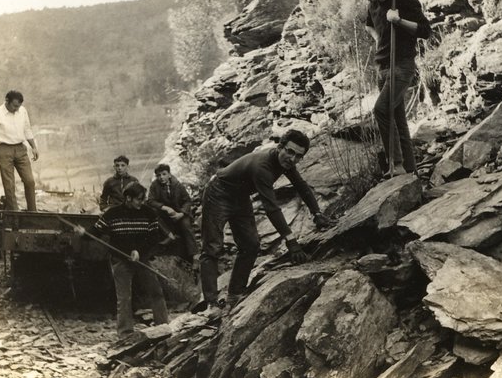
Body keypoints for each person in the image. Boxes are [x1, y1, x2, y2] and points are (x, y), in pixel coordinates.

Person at [199, 129, 332, 318]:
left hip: (240, 196)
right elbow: (272, 208)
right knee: (212, 247)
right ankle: (211, 304)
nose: (292, 159)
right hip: (218, 193)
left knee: (251, 245)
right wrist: (291, 241)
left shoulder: (287, 163)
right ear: (280, 147)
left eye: (298, 156)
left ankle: (234, 295)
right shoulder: (263, 167)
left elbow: (301, 186)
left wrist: (317, 213)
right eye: (290, 152)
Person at [359, 0, 432, 176]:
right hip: (382, 67)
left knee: (381, 110)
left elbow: (425, 31)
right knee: (398, 120)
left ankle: (396, 164)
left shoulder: (404, 0)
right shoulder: (373, 5)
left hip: (402, 66)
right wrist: (380, 40)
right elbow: (369, 25)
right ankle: (410, 170)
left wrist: (398, 21)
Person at [74, 183, 172, 338]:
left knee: (156, 292)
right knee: (124, 298)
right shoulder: (113, 213)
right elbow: (97, 230)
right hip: (120, 260)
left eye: (143, 199)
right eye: (139, 199)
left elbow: (153, 238)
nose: (142, 202)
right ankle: (125, 334)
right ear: (128, 198)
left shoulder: (149, 213)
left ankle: (164, 327)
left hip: (142, 259)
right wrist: (84, 233)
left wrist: (139, 251)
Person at [0, 90, 39, 211]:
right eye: (14, 106)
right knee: (9, 185)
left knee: (30, 181)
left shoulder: (22, 111)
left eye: (18, 106)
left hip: (20, 149)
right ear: (6, 101)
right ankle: (14, 214)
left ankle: (32, 212)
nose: (16, 109)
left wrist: (34, 147)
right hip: (4, 150)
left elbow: (27, 129)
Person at [147, 163, 199, 264]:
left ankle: (195, 255)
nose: (161, 177)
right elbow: (150, 201)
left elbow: (187, 201)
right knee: (153, 213)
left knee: (186, 225)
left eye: (164, 174)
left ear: (169, 174)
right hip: (164, 214)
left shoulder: (177, 185)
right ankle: (169, 235)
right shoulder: (154, 185)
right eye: (158, 175)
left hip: (178, 213)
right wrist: (165, 208)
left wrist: (181, 213)